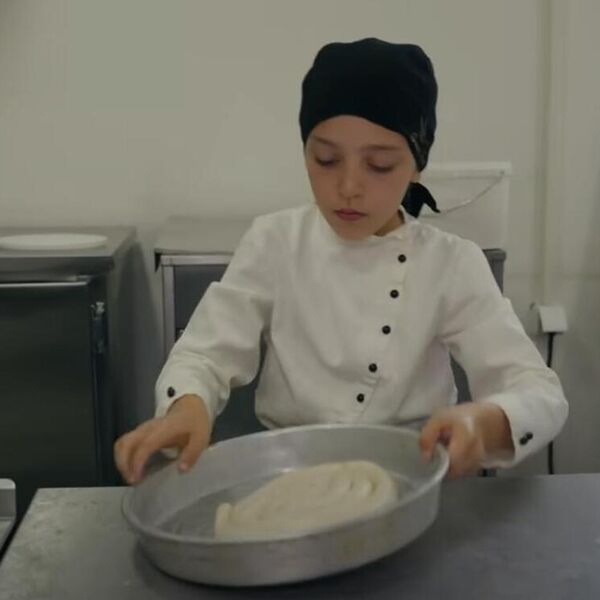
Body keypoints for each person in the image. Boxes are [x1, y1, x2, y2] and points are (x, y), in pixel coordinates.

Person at [114, 38, 568, 484]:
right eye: (326, 159)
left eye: (380, 165)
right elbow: (205, 353)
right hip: (292, 480)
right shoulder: (275, 242)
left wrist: (487, 422)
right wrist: (187, 405)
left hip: (412, 481)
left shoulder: (451, 263)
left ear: (417, 166)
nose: (349, 187)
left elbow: (538, 390)